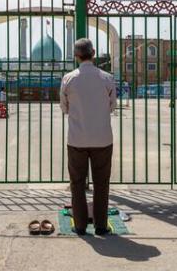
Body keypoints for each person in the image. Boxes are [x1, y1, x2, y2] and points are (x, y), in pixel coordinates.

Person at [60, 38, 117, 236]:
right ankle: (101, 226)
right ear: (93, 53)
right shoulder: (107, 78)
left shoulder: (68, 79)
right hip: (102, 138)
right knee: (102, 183)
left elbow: (64, 108)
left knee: (77, 183)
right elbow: (112, 106)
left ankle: (81, 225)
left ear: (76, 56)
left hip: (77, 139)